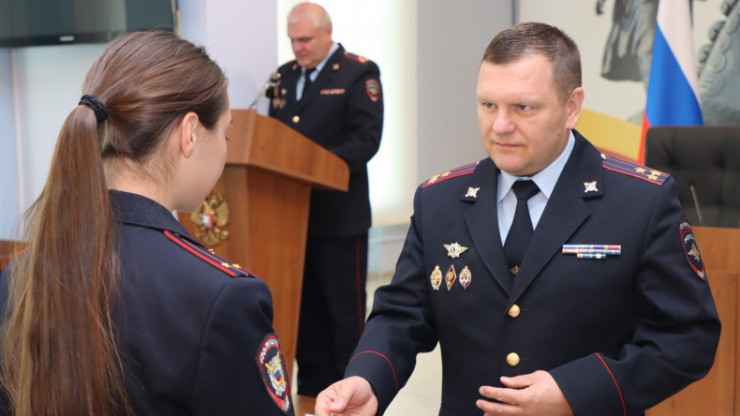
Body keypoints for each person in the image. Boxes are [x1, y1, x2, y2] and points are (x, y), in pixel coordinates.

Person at [315, 22, 720, 416]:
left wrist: (575, 392)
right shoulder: (439, 200)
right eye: (488, 105)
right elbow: (402, 315)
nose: (500, 126)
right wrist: (366, 379)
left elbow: (688, 336)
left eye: (523, 107)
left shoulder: (640, 201)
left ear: (572, 107)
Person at [0, 31, 293, 416]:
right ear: (189, 134)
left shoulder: (20, 275)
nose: (224, 149)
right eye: (225, 133)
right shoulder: (223, 297)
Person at [268, 2, 383, 397]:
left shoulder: (358, 72)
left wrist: (314, 168)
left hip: (338, 217)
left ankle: (351, 393)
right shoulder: (282, 77)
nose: (297, 48)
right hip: (292, 217)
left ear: (326, 33)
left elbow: (365, 141)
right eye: (292, 40)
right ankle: (311, 396)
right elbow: (272, 140)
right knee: (307, 316)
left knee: (342, 316)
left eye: (304, 39)